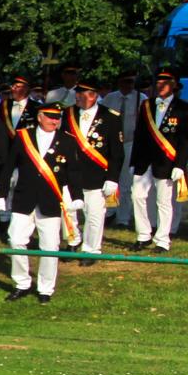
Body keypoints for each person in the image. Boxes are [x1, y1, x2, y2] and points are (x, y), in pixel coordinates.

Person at [4, 102, 78, 303]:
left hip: (50, 199)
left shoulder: (67, 140)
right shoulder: (23, 136)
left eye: (57, 117)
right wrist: (1, 194)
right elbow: (9, 166)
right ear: (39, 117)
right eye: (50, 116)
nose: (55, 121)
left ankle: (45, 288)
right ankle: (22, 283)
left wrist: (77, 196)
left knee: (49, 245)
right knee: (16, 240)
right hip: (24, 198)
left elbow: (73, 171)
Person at [129, 70, 188, 253]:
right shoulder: (146, 105)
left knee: (164, 201)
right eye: (158, 82)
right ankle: (143, 235)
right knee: (137, 196)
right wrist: (133, 161)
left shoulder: (184, 108)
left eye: (165, 82)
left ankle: (162, 240)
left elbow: (186, 139)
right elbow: (139, 135)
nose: (161, 85)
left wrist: (180, 164)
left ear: (174, 84)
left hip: (167, 161)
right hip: (144, 160)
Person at [63, 77, 125, 258]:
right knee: (67, 210)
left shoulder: (111, 117)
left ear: (93, 96)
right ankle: (73, 240)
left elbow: (117, 152)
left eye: (81, 94)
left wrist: (113, 178)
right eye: (77, 93)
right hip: (70, 173)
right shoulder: (67, 114)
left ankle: (91, 250)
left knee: (94, 215)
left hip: (97, 174)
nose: (77, 97)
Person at [103, 70, 142, 225]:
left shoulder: (141, 98)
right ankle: (109, 211)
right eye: (126, 81)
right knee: (110, 178)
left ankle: (123, 217)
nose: (129, 85)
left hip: (130, 142)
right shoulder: (110, 98)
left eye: (131, 82)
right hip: (112, 143)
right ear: (119, 82)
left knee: (126, 181)